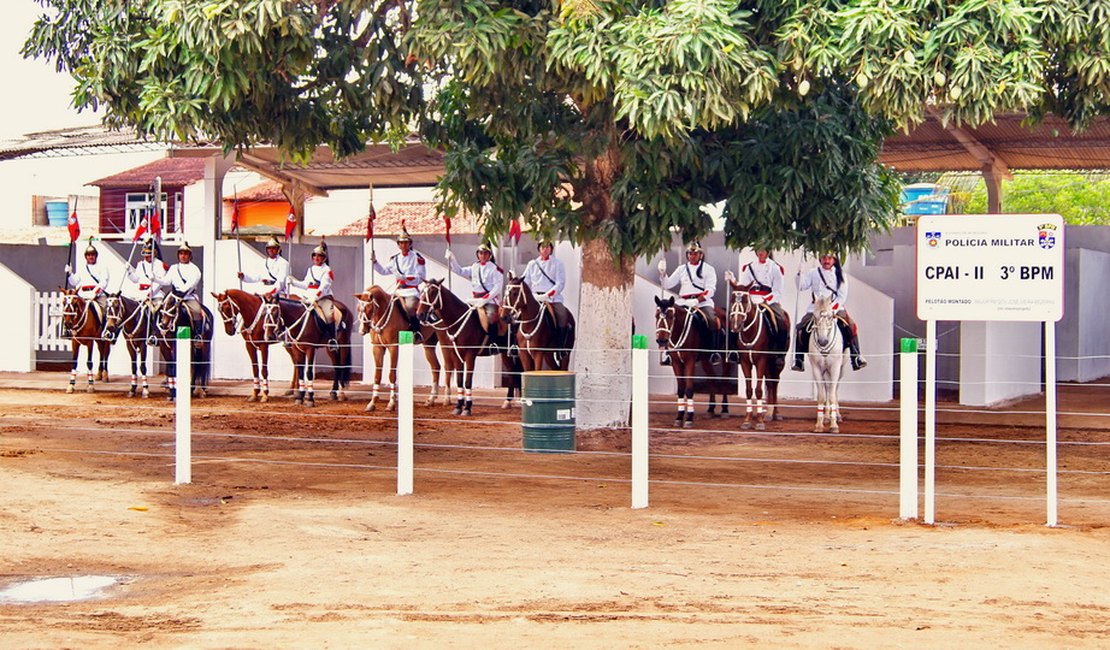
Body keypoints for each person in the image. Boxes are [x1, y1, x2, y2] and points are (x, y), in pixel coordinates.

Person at [792, 252, 867, 372]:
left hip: (834, 307)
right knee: (800, 327)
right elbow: (802, 286)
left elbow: (842, 296)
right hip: (815, 308)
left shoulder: (840, 274)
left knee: (850, 325)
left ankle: (856, 356)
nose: (826, 261)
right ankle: (799, 359)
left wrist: (831, 309)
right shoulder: (813, 272)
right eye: (824, 258)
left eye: (829, 258)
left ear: (834, 260)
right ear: (820, 260)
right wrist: (799, 274)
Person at [658, 241, 724, 365]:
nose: (692, 256)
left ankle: (713, 353)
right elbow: (668, 284)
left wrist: (697, 300)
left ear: (700, 255)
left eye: (695, 253)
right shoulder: (681, 269)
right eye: (689, 253)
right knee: (667, 317)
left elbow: (710, 290)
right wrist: (663, 274)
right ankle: (668, 353)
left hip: (702, 303)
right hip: (683, 301)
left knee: (713, 320)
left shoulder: (708, 269)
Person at [726, 248, 790, 355]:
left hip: (769, 301)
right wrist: (732, 280)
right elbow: (743, 287)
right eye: (758, 250)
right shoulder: (749, 267)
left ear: (768, 252)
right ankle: (734, 350)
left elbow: (777, 291)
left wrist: (765, 300)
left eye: (763, 250)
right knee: (735, 316)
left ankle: (779, 352)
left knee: (781, 319)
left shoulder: (775, 268)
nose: (760, 253)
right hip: (750, 300)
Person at [446, 241, 505, 351]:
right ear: (477, 254)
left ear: (489, 255)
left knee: (492, 317)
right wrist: (452, 260)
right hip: (474, 299)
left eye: (485, 253)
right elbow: (460, 271)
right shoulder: (474, 266)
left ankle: (493, 343)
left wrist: (485, 299)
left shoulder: (495, 269)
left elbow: (497, 288)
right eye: (480, 253)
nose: (482, 255)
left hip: (489, 300)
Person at [371, 225, 426, 341]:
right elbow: (384, 271)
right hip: (398, 291)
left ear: (410, 244)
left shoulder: (417, 258)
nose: (403, 245)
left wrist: (405, 278)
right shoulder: (394, 259)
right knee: (386, 308)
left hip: (411, 291)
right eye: (401, 243)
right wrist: (375, 262)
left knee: (410, 307)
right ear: (398, 245)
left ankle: (415, 332)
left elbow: (421, 277)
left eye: (406, 243)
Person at [290, 241, 343, 351]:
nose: (316, 258)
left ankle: (332, 339)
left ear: (324, 258)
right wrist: (293, 282)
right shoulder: (311, 269)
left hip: (323, 297)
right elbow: (306, 284)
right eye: (315, 255)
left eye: (319, 256)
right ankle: (292, 337)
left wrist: (316, 296)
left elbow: (324, 286)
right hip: (309, 296)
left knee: (329, 314)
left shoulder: (327, 270)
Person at [522, 240, 572, 356]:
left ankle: (560, 346)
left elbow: (560, 283)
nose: (545, 249)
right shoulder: (532, 264)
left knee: (562, 315)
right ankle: (515, 344)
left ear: (551, 249)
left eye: (548, 247)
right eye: (542, 247)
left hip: (551, 298)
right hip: (534, 298)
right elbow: (526, 281)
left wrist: (547, 295)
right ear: (539, 249)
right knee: (517, 316)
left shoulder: (557, 263)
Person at [156, 241, 205, 331]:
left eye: (185, 254)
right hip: (174, 296)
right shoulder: (173, 268)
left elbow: (190, 285)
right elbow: (166, 281)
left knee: (196, 311)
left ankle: (198, 334)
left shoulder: (195, 269)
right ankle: (157, 333)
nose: (183, 256)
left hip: (188, 297)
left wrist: (182, 293)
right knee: (160, 307)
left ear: (189, 256)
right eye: (181, 253)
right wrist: (154, 278)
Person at [65, 240, 111, 321]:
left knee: (105, 311)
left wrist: (95, 293)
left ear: (96, 256)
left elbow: (104, 282)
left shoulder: (102, 267)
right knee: (72, 309)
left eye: (92, 255)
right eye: (89, 255)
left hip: (97, 296)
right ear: (86, 257)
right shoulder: (82, 268)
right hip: (83, 295)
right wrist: (70, 273)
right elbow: (74, 281)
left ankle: (105, 331)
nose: (91, 257)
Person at [126, 237, 167, 303]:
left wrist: (150, 293)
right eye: (145, 255)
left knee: (156, 310)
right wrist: (129, 272)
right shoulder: (140, 264)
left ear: (154, 253)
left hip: (155, 294)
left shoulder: (160, 264)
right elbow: (135, 280)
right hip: (141, 294)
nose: (146, 257)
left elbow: (160, 283)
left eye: (149, 255)